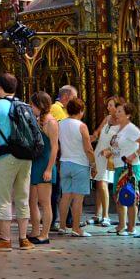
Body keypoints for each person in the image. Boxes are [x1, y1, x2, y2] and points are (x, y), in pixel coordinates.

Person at [0, 73, 35, 252]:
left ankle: (4, 240)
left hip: (6, 156)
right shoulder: (24, 105)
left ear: (0, 87)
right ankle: (23, 239)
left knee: (2, 197)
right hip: (26, 157)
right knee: (22, 196)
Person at [100, 101, 140, 236]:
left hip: (130, 167)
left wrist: (134, 155)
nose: (117, 113)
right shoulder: (118, 129)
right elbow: (118, 147)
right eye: (117, 111)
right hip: (118, 166)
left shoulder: (131, 128)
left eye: (120, 111)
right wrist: (109, 151)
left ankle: (131, 227)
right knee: (119, 195)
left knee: (129, 195)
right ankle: (121, 225)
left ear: (128, 115)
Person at [55, 98, 95, 238]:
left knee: (65, 196)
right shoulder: (81, 126)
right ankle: (76, 228)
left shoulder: (60, 124)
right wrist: (93, 164)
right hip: (80, 164)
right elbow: (88, 148)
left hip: (65, 162)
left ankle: (62, 226)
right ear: (81, 111)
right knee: (78, 198)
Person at [26, 91, 59, 244]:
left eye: (33, 104)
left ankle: (45, 234)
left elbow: (54, 147)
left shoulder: (51, 122)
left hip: (45, 163)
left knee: (45, 202)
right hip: (35, 162)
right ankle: (35, 230)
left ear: (40, 105)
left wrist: (49, 169)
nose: (31, 107)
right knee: (32, 200)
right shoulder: (38, 119)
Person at [90, 97, 123, 227]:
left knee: (103, 183)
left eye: (111, 105)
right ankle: (97, 214)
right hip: (99, 153)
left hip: (109, 155)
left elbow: (120, 142)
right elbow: (97, 132)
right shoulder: (107, 118)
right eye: (108, 105)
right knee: (98, 183)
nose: (108, 108)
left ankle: (106, 216)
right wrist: (87, 140)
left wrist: (109, 150)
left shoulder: (122, 122)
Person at [49, 85, 76, 232]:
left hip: (64, 155)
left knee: (63, 189)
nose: (74, 101)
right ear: (65, 96)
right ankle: (54, 220)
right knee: (56, 190)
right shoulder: (56, 108)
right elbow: (61, 133)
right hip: (58, 156)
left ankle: (68, 219)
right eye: (73, 97)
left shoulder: (64, 110)